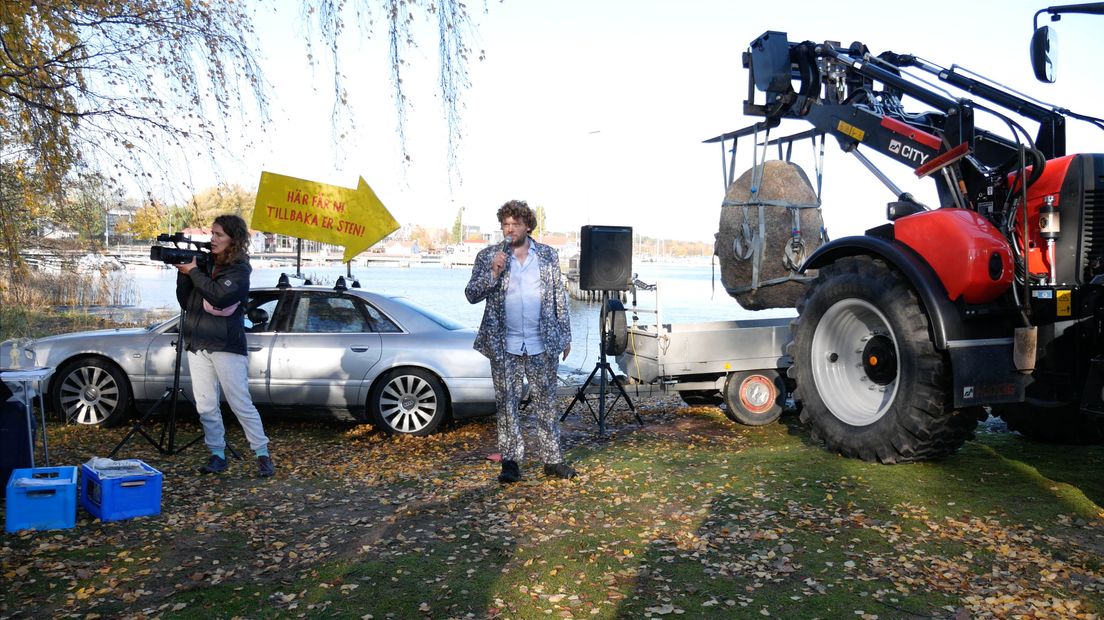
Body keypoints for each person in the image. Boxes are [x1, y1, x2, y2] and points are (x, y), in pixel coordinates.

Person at [465, 200, 574, 483]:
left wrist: (565, 335)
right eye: (505, 224)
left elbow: (558, 298)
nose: (509, 229)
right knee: (507, 405)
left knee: (546, 404)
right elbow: (472, 294)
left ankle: (552, 460)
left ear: (528, 226)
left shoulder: (548, 256)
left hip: (542, 343)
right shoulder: (489, 256)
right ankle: (510, 462)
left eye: (515, 224)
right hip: (505, 346)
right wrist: (493, 272)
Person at [175, 214, 275, 478]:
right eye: (212, 233)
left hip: (226, 344)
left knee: (240, 401)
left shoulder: (240, 269)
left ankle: (262, 454)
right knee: (206, 404)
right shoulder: (204, 264)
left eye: (219, 234)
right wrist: (184, 274)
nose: (213, 239)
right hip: (198, 343)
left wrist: (194, 272)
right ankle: (217, 454)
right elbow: (186, 302)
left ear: (234, 238)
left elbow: (220, 296)